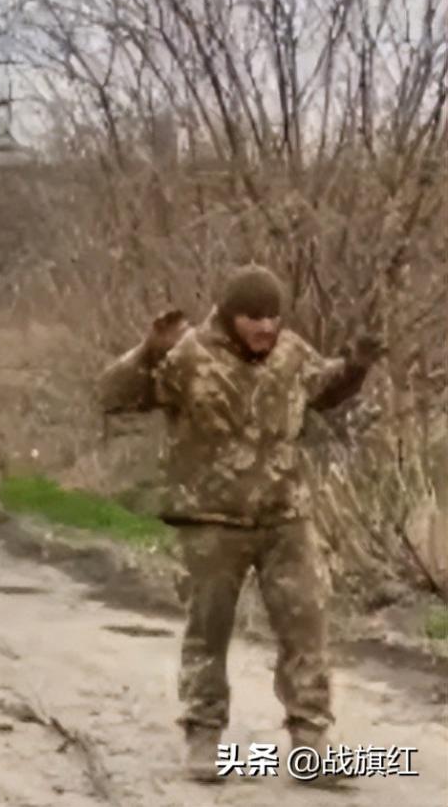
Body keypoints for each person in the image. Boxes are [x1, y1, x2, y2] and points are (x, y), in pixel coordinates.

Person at [96, 264, 383, 783]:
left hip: (284, 514)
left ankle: (311, 742)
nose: (266, 328)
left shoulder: (292, 354)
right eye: (254, 318)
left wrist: (357, 366)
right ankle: (204, 736)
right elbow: (113, 397)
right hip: (211, 519)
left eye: (273, 317)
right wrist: (146, 353)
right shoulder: (188, 356)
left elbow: (323, 390)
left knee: (307, 623)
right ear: (230, 316)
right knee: (209, 629)